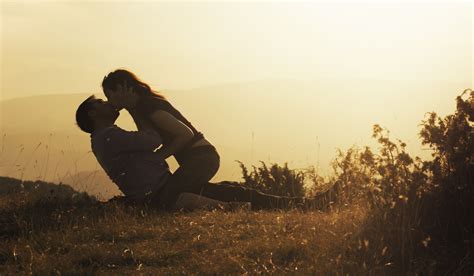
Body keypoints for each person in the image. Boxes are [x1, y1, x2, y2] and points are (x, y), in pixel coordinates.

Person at [75, 95, 306, 211]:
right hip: (162, 193)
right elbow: (152, 139)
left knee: (233, 190)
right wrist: (135, 107)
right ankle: (300, 205)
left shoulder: (107, 137)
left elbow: (148, 146)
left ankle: (301, 204)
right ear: (94, 114)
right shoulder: (108, 137)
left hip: (165, 188)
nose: (110, 104)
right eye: (103, 102)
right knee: (232, 194)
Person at [101, 69, 220, 207]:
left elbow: (185, 134)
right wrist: (131, 108)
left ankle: (244, 199)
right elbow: (148, 137)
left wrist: (158, 157)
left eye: (109, 95)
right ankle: (245, 197)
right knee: (193, 191)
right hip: (199, 157)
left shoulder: (149, 106)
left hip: (202, 157)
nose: (109, 102)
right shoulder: (140, 107)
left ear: (121, 88)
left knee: (170, 196)